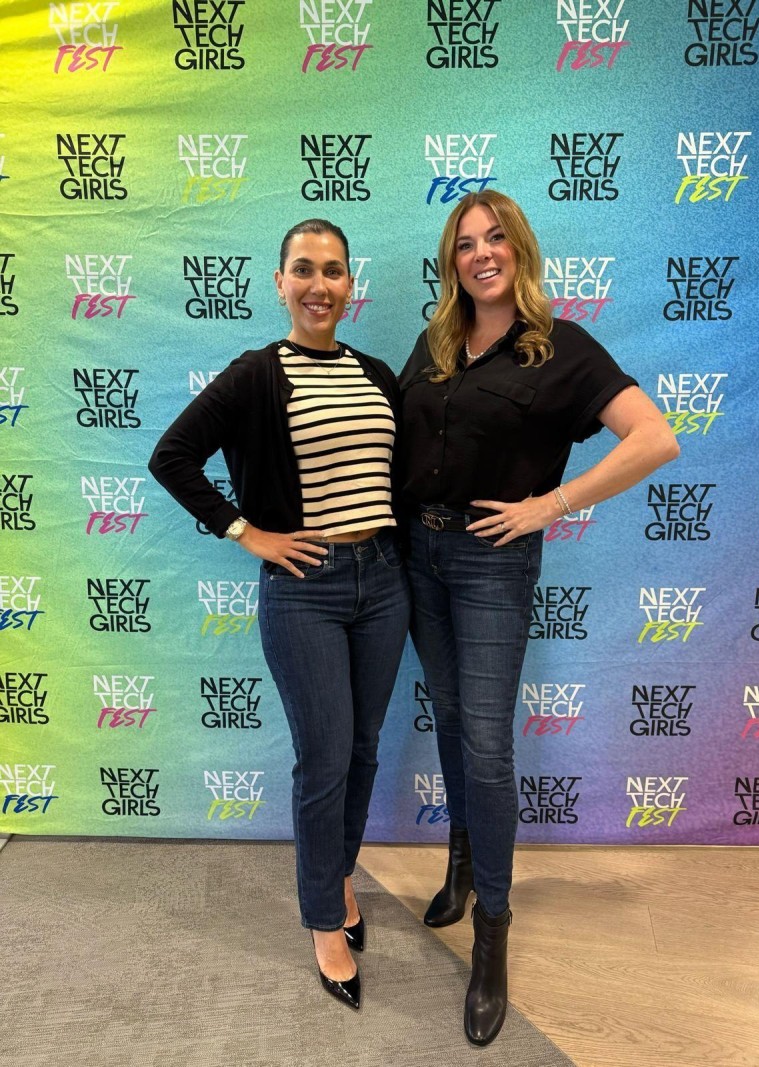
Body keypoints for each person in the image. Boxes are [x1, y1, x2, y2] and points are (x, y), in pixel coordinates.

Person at [399, 190, 679, 1046]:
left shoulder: (559, 346)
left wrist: (548, 504)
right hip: (420, 555)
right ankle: (462, 864)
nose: (480, 254)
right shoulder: (438, 340)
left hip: (492, 563)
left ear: (519, 249)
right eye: (464, 243)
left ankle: (493, 930)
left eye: (494, 239)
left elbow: (655, 438)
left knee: (486, 741)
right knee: (448, 718)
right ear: (452, 261)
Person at [149, 218, 410, 1011]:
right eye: (304, 269)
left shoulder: (377, 372)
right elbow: (172, 457)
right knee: (324, 758)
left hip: (385, 583)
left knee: (363, 749)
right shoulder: (258, 373)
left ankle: (336, 873)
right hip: (306, 589)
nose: (319, 284)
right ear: (279, 282)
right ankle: (324, 920)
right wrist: (247, 532)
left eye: (333, 270)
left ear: (350, 285)